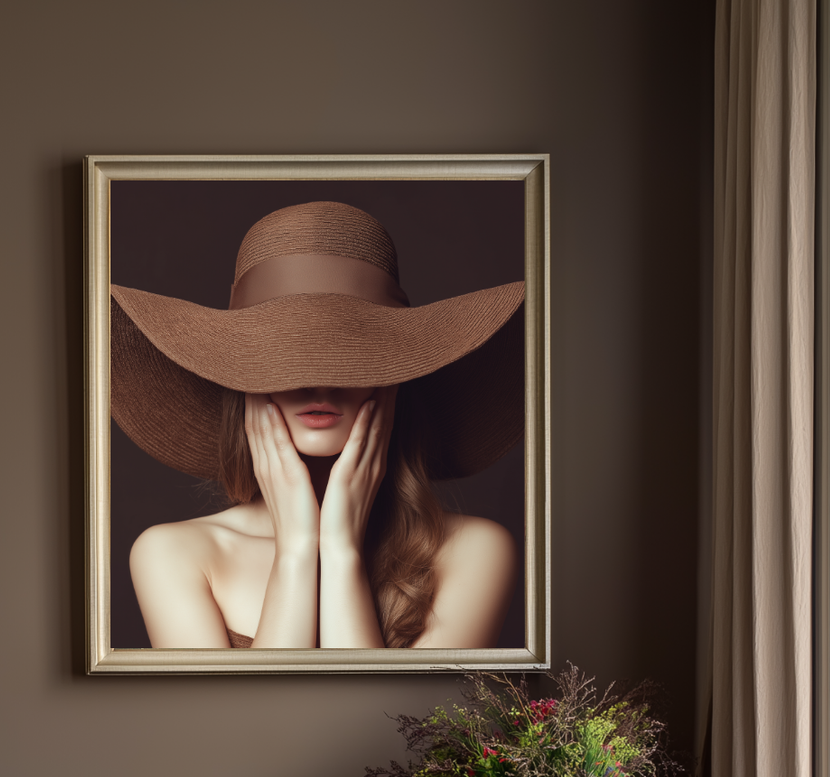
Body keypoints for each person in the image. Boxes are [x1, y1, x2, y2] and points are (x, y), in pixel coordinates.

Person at [110, 199, 526, 650]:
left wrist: (341, 551)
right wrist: (296, 550)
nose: (319, 382)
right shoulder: (173, 554)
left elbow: (383, 722)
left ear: (395, 378)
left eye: (350, 354)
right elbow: (241, 723)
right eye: (287, 356)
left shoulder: (475, 551)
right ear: (242, 379)